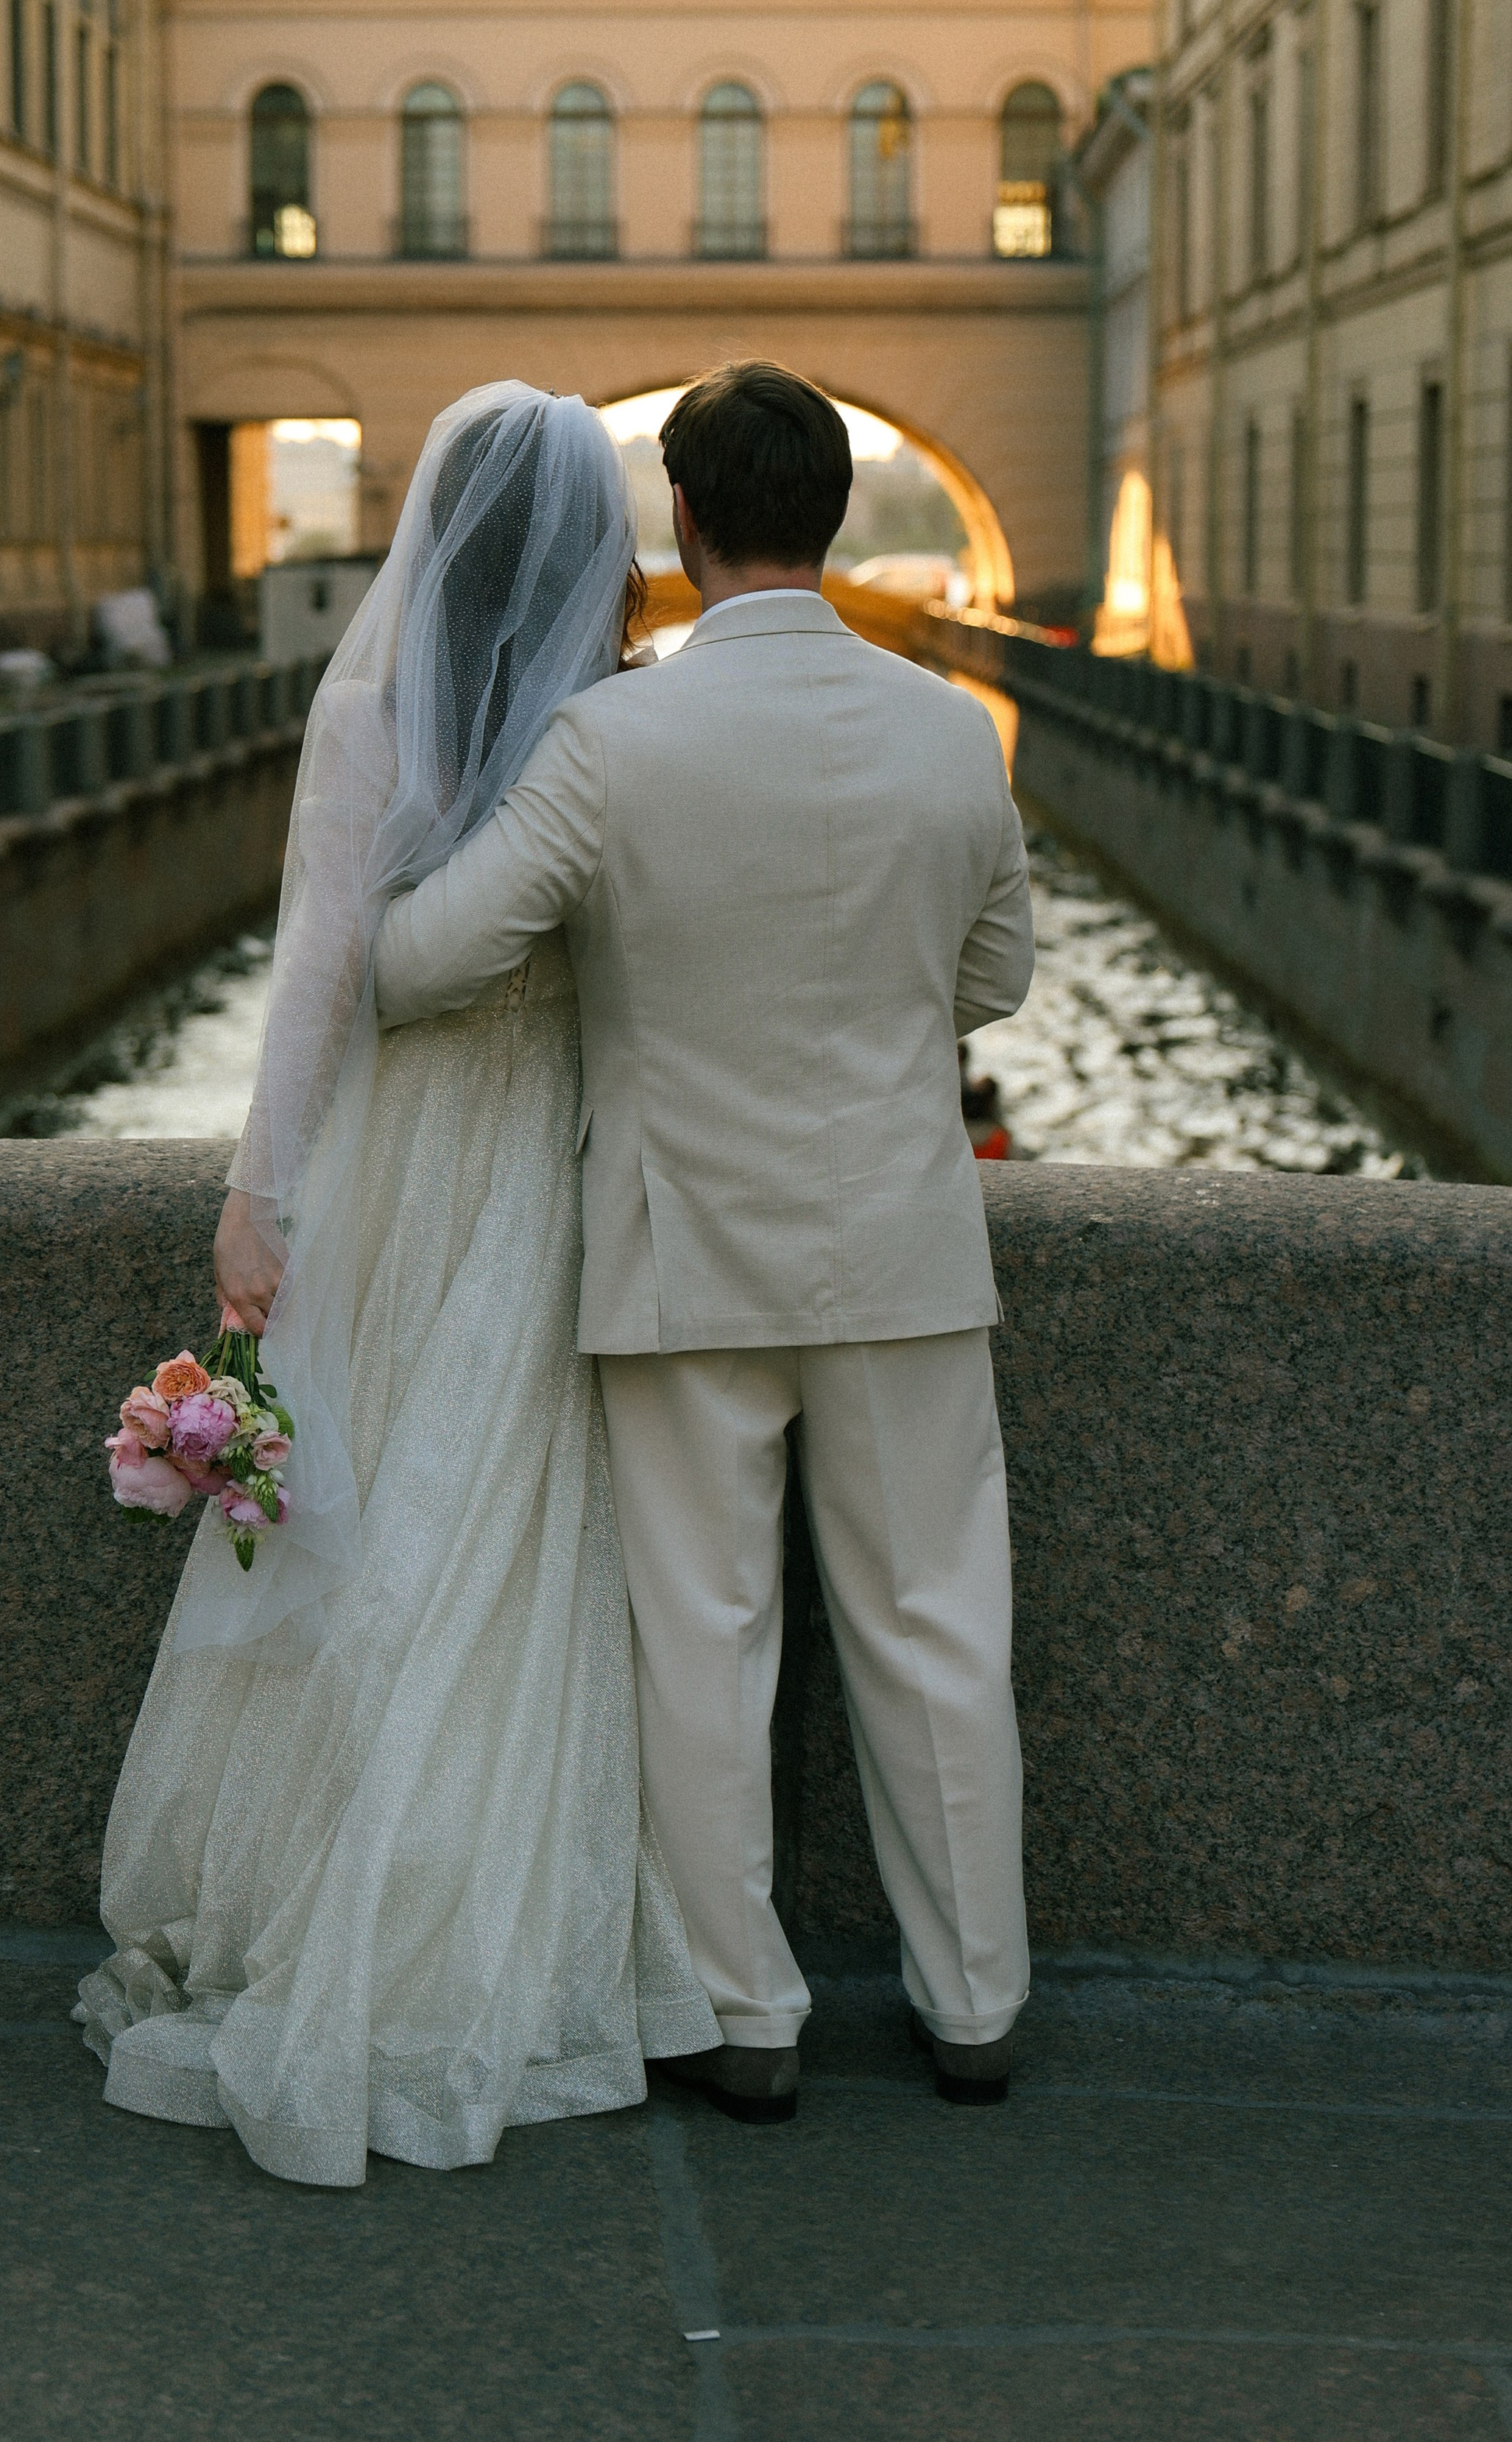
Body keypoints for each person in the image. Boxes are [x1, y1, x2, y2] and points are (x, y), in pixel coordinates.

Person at [372, 361, 1036, 2116]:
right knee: (937, 1626)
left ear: (682, 519)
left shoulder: (610, 742)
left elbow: (425, 961)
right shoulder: (946, 731)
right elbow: (995, 979)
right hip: (898, 1243)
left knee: (705, 1633)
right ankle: (972, 2004)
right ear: (827, 516)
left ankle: (748, 2020)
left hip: (678, 1257)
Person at [77, 383, 719, 2187]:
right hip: (555, 1159)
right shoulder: (616, 719)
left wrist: (254, 1198)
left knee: (364, 1521)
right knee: (510, 1519)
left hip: (391, 1159)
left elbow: (315, 977)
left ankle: (324, 1887)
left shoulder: (369, 705)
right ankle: (494, 1905)